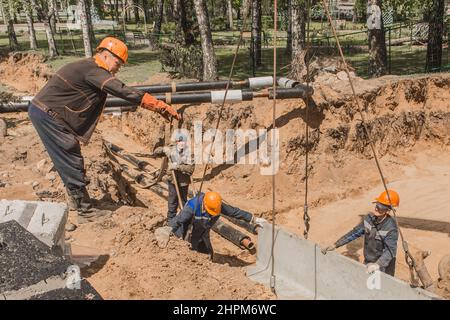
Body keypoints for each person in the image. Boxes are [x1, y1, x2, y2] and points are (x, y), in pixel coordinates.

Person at [28, 36, 180, 224]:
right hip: (48, 115)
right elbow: (123, 90)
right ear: (106, 55)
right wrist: (158, 106)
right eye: (118, 62)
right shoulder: (94, 71)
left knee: (70, 154)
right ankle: (85, 211)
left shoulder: (88, 67)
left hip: (47, 113)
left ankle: (77, 202)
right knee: (70, 154)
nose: (118, 68)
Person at [321, 190, 400, 276]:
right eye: (377, 204)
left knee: (382, 288)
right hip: (369, 261)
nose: (376, 208)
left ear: (388, 210)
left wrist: (377, 265)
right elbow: (354, 233)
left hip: (384, 267)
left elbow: (390, 251)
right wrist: (336, 244)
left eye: (380, 206)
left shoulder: (391, 228)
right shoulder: (369, 219)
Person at [170, 191, 266, 260]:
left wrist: (254, 219)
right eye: (210, 212)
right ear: (204, 204)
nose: (213, 214)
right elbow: (177, 221)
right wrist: (167, 232)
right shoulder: (192, 207)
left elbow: (235, 212)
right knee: (193, 254)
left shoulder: (216, 205)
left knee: (209, 255)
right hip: (188, 232)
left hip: (203, 232)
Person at [152, 132, 194, 224]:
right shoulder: (172, 149)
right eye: (179, 141)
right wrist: (163, 149)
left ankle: (184, 220)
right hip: (172, 181)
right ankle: (170, 220)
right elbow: (155, 153)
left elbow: (190, 169)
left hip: (183, 182)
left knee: (182, 202)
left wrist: (177, 167)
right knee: (172, 201)